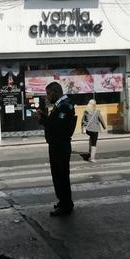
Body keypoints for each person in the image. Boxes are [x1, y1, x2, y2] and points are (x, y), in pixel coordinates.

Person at [33, 82, 77, 217]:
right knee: (58, 175)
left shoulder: (64, 106)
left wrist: (42, 120)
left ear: (55, 92)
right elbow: (55, 123)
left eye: (48, 93)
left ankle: (65, 205)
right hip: (57, 145)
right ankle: (63, 201)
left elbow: (58, 128)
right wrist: (45, 117)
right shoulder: (60, 105)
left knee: (61, 176)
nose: (47, 96)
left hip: (60, 146)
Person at [81, 99, 106, 163]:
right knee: (94, 144)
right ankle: (92, 158)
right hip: (95, 130)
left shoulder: (86, 111)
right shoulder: (97, 111)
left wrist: (82, 128)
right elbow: (101, 119)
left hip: (88, 130)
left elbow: (82, 121)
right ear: (94, 105)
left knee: (91, 139)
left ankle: (90, 151)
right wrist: (104, 126)